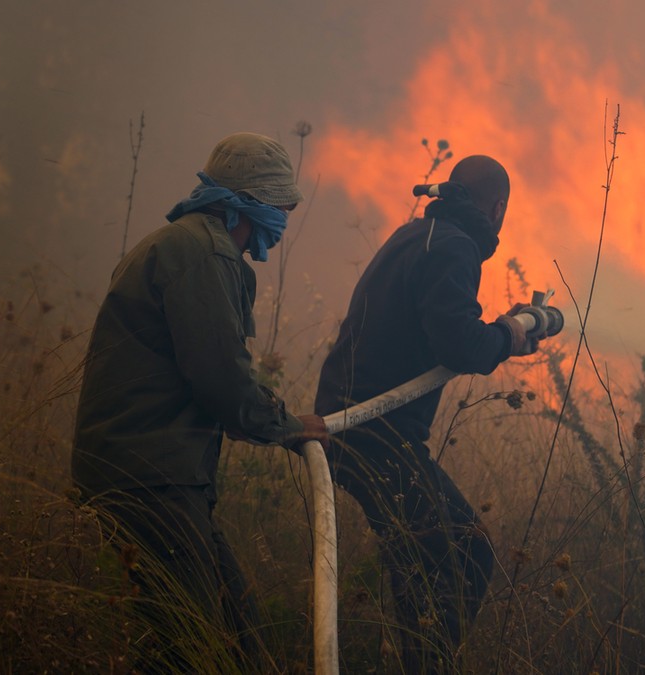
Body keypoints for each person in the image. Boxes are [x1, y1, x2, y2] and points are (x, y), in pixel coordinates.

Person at [72, 132, 329, 672]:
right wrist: (287, 426)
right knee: (188, 646)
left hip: (151, 473)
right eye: (279, 207)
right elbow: (221, 381)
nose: (283, 219)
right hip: (152, 478)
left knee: (232, 631)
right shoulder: (203, 255)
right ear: (246, 204)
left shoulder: (180, 244)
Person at [315, 154, 541, 673]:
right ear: (499, 208)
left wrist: (501, 335)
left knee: (420, 558)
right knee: (467, 554)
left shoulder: (415, 235)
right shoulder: (455, 248)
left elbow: (443, 330)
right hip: (372, 432)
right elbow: (461, 344)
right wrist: (509, 333)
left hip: (356, 426)